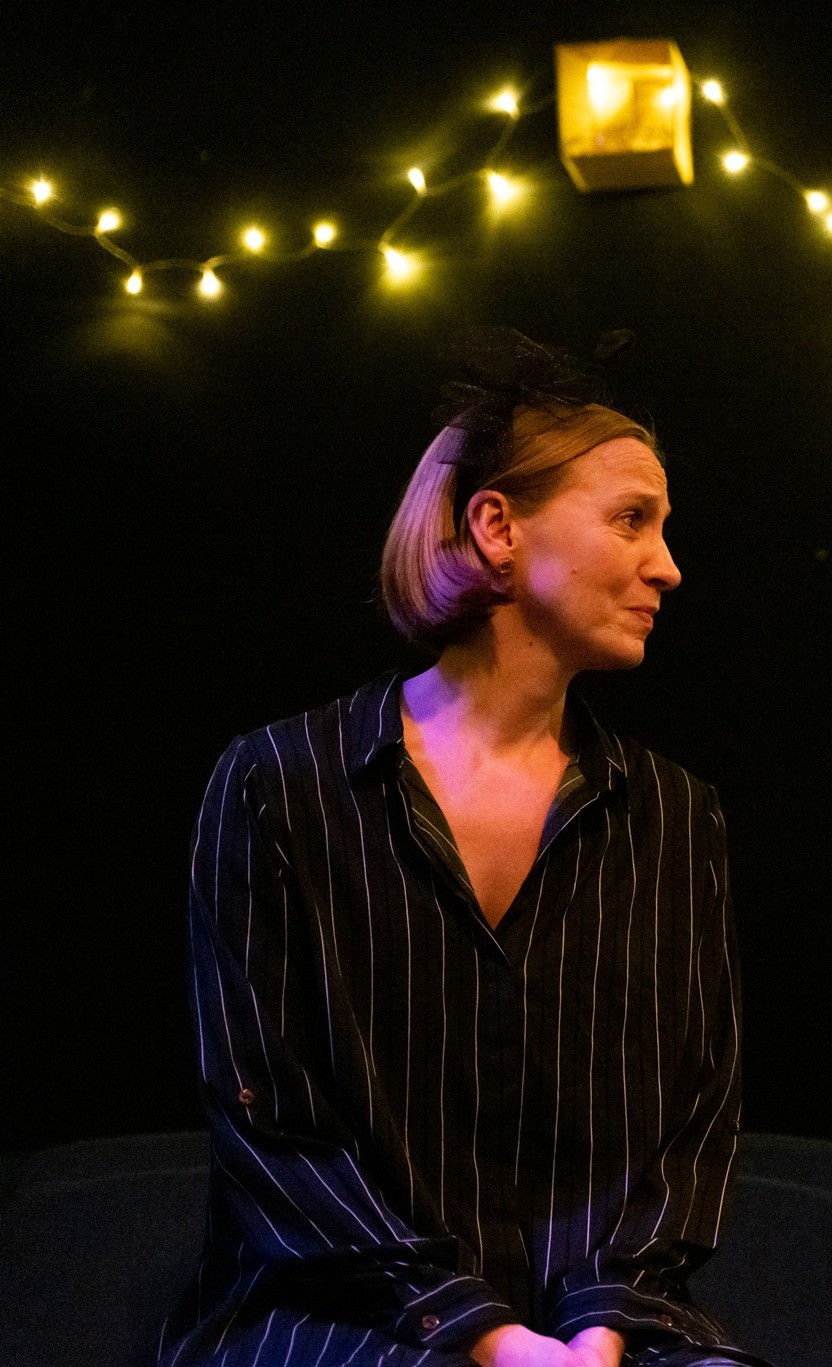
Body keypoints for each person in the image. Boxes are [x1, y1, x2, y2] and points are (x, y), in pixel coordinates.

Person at [161, 333, 762, 1367]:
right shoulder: (280, 785)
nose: (667, 563)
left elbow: (687, 1130)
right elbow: (271, 1126)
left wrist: (596, 1329)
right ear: (497, 526)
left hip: (597, 1330)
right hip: (345, 1313)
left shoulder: (673, 815)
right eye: (631, 519)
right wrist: (484, 1333)